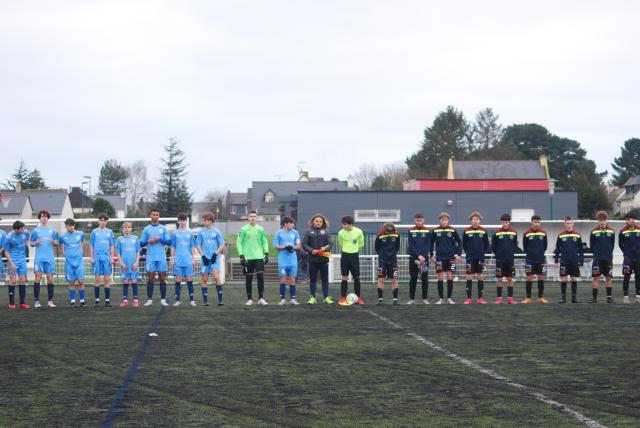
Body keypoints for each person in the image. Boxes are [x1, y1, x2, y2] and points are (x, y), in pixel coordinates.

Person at [236, 211, 270, 305]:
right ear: (248, 217)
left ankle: (261, 298)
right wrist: (241, 256)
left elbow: (264, 241)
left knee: (260, 276)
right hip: (247, 258)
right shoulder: (243, 229)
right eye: (251, 216)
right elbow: (238, 242)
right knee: (249, 278)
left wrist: (266, 254)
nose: (253, 218)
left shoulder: (260, 229)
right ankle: (250, 299)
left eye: (254, 216)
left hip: (259, 256)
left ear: (257, 218)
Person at [140, 209, 171, 307]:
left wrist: (159, 239)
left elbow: (169, 242)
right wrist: (149, 241)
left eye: (157, 215)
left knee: (162, 278)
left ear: (159, 217)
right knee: (150, 278)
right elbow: (141, 243)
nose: (155, 216)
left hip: (161, 257)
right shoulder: (146, 229)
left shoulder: (163, 228)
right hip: (150, 257)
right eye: (154, 214)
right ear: (151, 216)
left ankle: (163, 299)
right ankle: (149, 300)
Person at [430, 212, 461, 304]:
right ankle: (440, 298)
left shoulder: (452, 230)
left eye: (445, 220)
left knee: (450, 276)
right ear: (440, 220)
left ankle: (449, 298)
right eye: (442, 220)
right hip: (439, 258)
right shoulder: (435, 230)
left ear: (448, 220)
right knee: (440, 277)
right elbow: (431, 243)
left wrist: (458, 254)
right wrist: (431, 255)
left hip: (451, 258)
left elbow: (459, 242)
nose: (444, 221)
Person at [302, 213, 333, 305]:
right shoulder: (308, 232)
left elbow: (330, 244)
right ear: (313, 222)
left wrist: (324, 249)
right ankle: (312, 298)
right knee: (313, 279)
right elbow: (304, 244)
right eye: (317, 221)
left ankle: (326, 297)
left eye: (320, 221)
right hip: (313, 260)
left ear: (323, 222)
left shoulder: (326, 232)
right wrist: (312, 251)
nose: (318, 222)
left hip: (324, 260)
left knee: (325, 279)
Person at [30, 210, 59, 308]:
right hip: (39, 258)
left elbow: (57, 242)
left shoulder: (53, 230)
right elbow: (31, 243)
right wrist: (35, 243)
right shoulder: (35, 230)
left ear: (48, 218)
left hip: (49, 258)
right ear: (39, 218)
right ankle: (36, 301)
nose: (44, 218)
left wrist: (54, 242)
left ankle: (50, 301)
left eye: (46, 216)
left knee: (50, 279)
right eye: (42, 216)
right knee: (37, 278)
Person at [196, 212, 226, 306]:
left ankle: (220, 300)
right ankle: (205, 301)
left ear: (210, 221)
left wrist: (215, 254)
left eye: (204, 220)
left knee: (216, 276)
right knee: (204, 279)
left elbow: (222, 244)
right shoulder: (201, 232)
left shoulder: (216, 231)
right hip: (205, 258)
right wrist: (203, 256)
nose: (203, 222)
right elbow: (198, 245)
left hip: (214, 258)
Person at [554, 216, 584, 304]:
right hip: (564, 261)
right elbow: (557, 249)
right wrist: (556, 260)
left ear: (573, 224)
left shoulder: (577, 235)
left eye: (571, 223)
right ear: (564, 224)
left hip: (574, 261)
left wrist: (581, 261)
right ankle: (563, 298)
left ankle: (574, 298)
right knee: (563, 279)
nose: (569, 225)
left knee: (574, 278)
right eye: (567, 223)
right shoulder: (561, 235)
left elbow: (581, 250)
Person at [462, 211, 490, 305]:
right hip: (470, 257)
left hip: (480, 257)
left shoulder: (484, 231)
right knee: (469, 276)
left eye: (477, 219)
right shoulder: (466, 231)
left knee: (480, 276)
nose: (476, 221)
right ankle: (469, 298)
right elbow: (464, 244)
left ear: (480, 220)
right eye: (474, 219)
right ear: (471, 220)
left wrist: (482, 253)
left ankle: (480, 298)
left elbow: (486, 244)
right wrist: (469, 253)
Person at [273, 216, 301, 305]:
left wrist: (291, 247)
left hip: (293, 260)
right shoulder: (278, 233)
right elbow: (275, 246)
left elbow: (298, 246)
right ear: (286, 224)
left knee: (292, 279)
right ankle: (283, 299)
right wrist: (285, 247)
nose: (293, 225)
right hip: (282, 260)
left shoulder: (295, 233)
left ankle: (293, 299)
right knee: (283, 279)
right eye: (291, 223)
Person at [170, 213, 197, 307]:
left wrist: (193, 259)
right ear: (178, 221)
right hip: (178, 260)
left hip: (188, 260)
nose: (182, 222)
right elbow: (173, 247)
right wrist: (172, 259)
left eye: (183, 220)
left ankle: (192, 300)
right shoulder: (175, 233)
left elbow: (193, 247)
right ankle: (177, 300)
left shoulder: (190, 233)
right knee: (177, 279)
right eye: (180, 220)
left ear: (186, 221)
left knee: (189, 279)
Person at [89, 213, 116, 307]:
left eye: (105, 220)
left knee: (106, 279)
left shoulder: (110, 232)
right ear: (98, 221)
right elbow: (91, 245)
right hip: (96, 257)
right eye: (101, 220)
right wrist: (91, 257)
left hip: (106, 257)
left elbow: (112, 245)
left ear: (106, 222)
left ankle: (107, 301)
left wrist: (112, 257)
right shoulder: (94, 232)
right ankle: (97, 300)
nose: (103, 221)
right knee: (96, 279)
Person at [491, 213, 518, 305]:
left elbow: (515, 245)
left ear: (509, 222)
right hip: (500, 260)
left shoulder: (514, 232)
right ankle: (499, 299)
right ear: (501, 222)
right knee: (499, 279)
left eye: (506, 222)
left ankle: (510, 299)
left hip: (510, 260)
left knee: (510, 279)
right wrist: (498, 254)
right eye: (503, 222)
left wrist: (511, 253)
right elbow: (493, 246)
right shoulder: (497, 232)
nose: (505, 224)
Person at [588, 211, 615, 303]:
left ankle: (609, 298)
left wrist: (609, 255)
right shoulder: (593, 231)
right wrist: (596, 254)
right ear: (598, 221)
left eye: (604, 220)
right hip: (597, 259)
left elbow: (612, 245)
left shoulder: (611, 231)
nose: (602, 222)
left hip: (608, 259)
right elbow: (591, 246)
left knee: (608, 278)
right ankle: (594, 298)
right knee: (596, 278)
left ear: (607, 220)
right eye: (600, 220)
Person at [337, 215, 364, 306]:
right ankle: (343, 298)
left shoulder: (359, 232)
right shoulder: (340, 232)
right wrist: (347, 249)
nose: (343, 226)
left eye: (345, 224)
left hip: (354, 256)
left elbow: (361, 244)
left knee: (356, 277)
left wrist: (353, 249)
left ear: (350, 224)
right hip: (344, 255)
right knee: (344, 277)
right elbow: (341, 243)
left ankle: (358, 298)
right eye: (343, 224)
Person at [58, 218, 86, 306]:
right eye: (70, 225)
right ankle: (72, 301)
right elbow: (60, 243)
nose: (71, 227)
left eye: (73, 225)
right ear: (66, 226)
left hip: (79, 262)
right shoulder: (62, 236)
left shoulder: (80, 234)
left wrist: (81, 248)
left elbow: (83, 240)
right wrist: (63, 252)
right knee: (71, 282)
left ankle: (82, 301)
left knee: (81, 281)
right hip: (69, 263)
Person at [522, 215, 549, 304]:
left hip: (541, 260)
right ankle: (528, 298)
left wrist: (539, 253)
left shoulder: (543, 233)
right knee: (529, 278)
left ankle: (540, 297)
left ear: (540, 223)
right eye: (535, 222)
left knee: (541, 278)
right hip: (530, 260)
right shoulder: (526, 233)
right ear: (531, 222)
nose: (536, 224)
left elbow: (545, 246)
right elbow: (525, 247)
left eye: (538, 222)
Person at [3, 221, 30, 309]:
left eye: (23, 228)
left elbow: (27, 240)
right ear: (16, 229)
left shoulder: (25, 232)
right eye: (21, 228)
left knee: (22, 280)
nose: (23, 229)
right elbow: (6, 251)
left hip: (22, 260)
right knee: (13, 281)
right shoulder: (9, 237)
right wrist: (11, 263)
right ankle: (11, 303)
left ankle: (22, 303)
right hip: (13, 260)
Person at [406, 213, 431, 305]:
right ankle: (412, 299)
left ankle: (425, 298)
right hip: (413, 258)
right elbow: (411, 245)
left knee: (425, 279)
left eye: (420, 220)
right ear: (415, 220)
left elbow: (428, 244)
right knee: (413, 278)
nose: (419, 222)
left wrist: (423, 256)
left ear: (423, 220)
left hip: (425, 259)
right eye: (417, 220)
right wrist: (418, 256)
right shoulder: (410, 231)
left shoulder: (428, 231)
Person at [115, 222, 142, 308]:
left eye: (128, 227)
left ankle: (135, 300)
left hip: (133, 264)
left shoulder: (136, 238)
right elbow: (118, 253)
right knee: (126, 281)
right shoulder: (119, 239)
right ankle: (125, 300)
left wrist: (137, 262)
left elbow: (138, 251)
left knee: (134, 280)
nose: (127, 229)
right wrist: (121, 263)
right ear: (122, 229)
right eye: (125, 228)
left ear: (131, 229)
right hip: (124, 265)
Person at [375, 222, 401, 305]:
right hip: (382, 261)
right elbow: (377, 248)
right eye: (388, 231)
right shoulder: (379, 235)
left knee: (394, 279)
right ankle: (380, 299)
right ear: (385, 229)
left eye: (391, 231)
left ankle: (395, 300)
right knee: (381, 279)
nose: (390, 232)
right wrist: (383, 255)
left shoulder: (397, 234)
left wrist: (392, 254)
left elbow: (397, 247)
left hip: (393, 261)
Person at [619, 212, 640, 304]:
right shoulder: (623, 231)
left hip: (638, 258)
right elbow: (620, 244)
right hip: (628, 258)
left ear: (633, 220)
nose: (627, 221)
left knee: (638, 277)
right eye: (626, 219)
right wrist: (626, 253)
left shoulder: (639, 230)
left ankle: (638, 297)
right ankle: (626, 297)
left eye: (628, 219)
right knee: (626, 277)